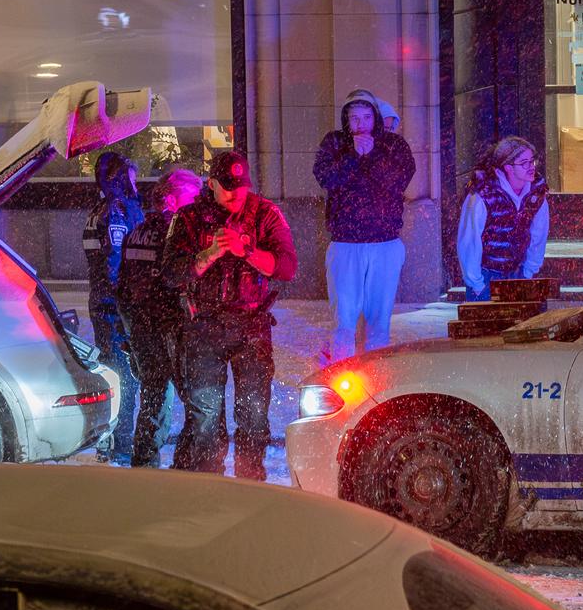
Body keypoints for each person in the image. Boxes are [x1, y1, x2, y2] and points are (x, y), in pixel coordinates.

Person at [165, 147, 298, 479]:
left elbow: (287, 267)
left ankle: (250, 481)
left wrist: (247, 250)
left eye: (242, 185)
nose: (236, 192)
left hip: (251, 325)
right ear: (211, 183)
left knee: (253, 413)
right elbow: (169, 273)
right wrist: (209, 254)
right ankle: (210, 484)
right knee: (206, 416)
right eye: (227, 185)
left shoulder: (265, 214)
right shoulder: (189, 218)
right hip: (204, 326)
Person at [313, 88, 416, 360]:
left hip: (385, 242)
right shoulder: (335, 143)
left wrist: (371, 157)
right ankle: (343, 372)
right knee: (343, 319)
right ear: (346, 119)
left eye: (367, 117)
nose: (361, 125)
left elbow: (399, 180)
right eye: (354, 118)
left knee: (379, 320)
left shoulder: (393, 145)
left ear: (376, 118)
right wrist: (352, 158)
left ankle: (376, 376)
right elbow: (326, 178)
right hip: (346, 242)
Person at [116, 165, 201, 467]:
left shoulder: (136, 232)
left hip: (142, 327)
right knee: (195, 401)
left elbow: (123, 287)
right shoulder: (175, 233)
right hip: (170, 327)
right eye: (192, 199)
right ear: (172, 200)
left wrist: (129, 332)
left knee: (153, 398)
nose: (197, 206)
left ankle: (145, 463)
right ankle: (186, 467)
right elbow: (177, 280)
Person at [80, 151, 142, 461]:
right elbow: (115, 261)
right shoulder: (117, 212)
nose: (135, 184)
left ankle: (112, 439)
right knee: (126, 375)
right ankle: (122, 444)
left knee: (113, 373)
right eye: (130, 177)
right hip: (115, 307)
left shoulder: (97, 210)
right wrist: (128, 303)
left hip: (101, 304)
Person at [456, 135, 549, 300]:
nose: (531, 167)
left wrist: (528, 273)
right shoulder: (483, 195)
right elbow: (469, 240)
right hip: (485, 275)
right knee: (486, 325)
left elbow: (539, 236)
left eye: (532, 161)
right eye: (524, 163)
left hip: (518, 273)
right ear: (507, 167)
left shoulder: (536, 194)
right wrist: (477, 284)